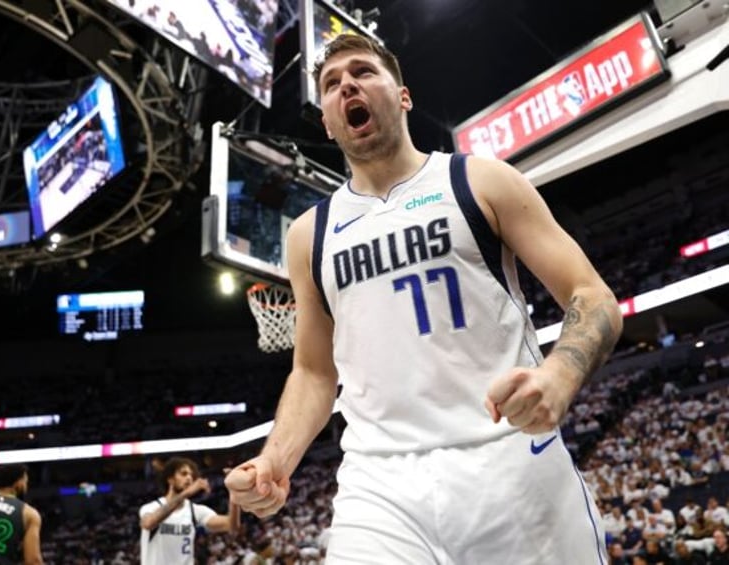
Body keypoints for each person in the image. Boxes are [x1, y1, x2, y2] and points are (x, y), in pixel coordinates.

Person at [225, 32, 623, 564]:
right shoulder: (308, 235)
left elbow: (592, 296)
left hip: (508, 458)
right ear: (325, 120)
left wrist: (560, 375)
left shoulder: (479, 180)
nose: (347, 86)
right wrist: (276, 459)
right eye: (331, 84)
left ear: (403, 95)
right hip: (379, 486)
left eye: (363, 72)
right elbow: (315, 372)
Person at [138, 456, 240, 565]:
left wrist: (234, 492)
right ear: (170, 479)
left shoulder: (195, 510)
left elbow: (232, 525)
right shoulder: (151, 507)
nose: (189, 478)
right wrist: (187, 493)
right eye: (184, 474)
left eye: (191, 475)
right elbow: (148, 523)